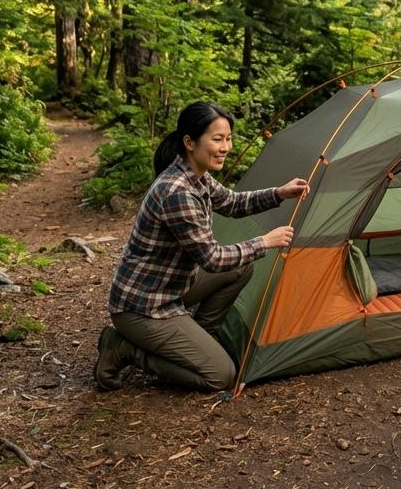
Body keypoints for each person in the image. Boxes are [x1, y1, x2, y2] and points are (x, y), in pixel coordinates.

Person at [93, 101, 307, 392]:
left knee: (241, 267)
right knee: (220, 376)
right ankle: (124, 349)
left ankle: (197, 341)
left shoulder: (197, 177)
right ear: (190, 142)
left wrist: (279, 193)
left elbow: (232, 203)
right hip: (143, 307)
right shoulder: (176, 192)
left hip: (171, 288)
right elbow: (212, 259)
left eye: (228, 138)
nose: (225, 146)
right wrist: (264, 242)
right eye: (217, 139)